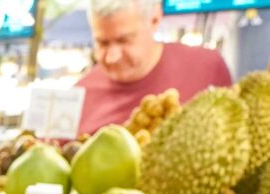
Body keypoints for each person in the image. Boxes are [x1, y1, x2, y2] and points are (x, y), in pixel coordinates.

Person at [76, 0, 233, 134]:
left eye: (124, 40)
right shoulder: (79, 95)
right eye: (102, 43)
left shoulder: (207, 68)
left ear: (154, 20)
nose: (112, 57)